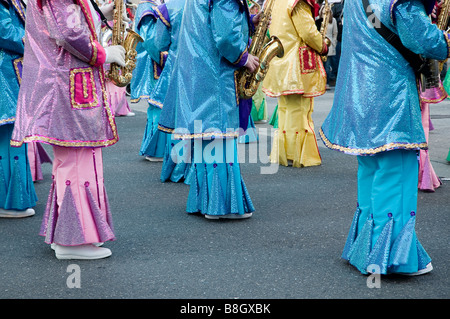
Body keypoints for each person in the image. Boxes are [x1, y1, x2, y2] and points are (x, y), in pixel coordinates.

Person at [319, 0, 449, 275]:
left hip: (360, 92)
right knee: (397, 174)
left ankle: (365, 249)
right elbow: (424, 41)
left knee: (371, 170)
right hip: (391, 98)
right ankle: (391, 260)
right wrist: (444, 39)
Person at [11, 0, 127, 260]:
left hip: (68, 81)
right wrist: (103, 54)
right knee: (77, 161)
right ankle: (73, 241)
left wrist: (101, 14)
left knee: (74, 162)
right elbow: (66, 33)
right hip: (68, 83)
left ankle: (70, 234)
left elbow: (66, 23)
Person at [158, 0, 259, 219]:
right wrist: (244, 57)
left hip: (199, 68)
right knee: (220, 136)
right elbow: (224, 36)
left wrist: (249, 21)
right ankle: (222, 206)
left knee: (206, 137)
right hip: (216, 72)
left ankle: (205, 201)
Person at [263, 0, 328, 168]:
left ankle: (284, 154)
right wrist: (323, 46)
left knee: (285, 111)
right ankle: (298, 155)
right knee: (300, 111)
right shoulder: (297, 3)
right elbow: (308, 33)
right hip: (297, 65)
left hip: (279, 61)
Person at [144, 0, 191, 183]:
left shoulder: (168, 7)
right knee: (199, 118)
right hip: (204, 69)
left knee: (177, 115)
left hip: (176, 67)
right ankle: (193, 169)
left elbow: (160, 43)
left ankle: (176, 167)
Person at [0, 0, 37, 218]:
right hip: (4, 76)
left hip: (11, 74)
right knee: (9, 134)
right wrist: (38, 39)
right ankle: (9, 202)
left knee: (13, 133)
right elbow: (6, 32)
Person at [131, 0, 167, 162]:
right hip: (156, 63)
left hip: (157, 62)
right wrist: (166, 58)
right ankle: (157, 149)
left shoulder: (152, 5)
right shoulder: (147, 7)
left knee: (159, 104)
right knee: (159, 103)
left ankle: (155, 148)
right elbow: (150, 40)